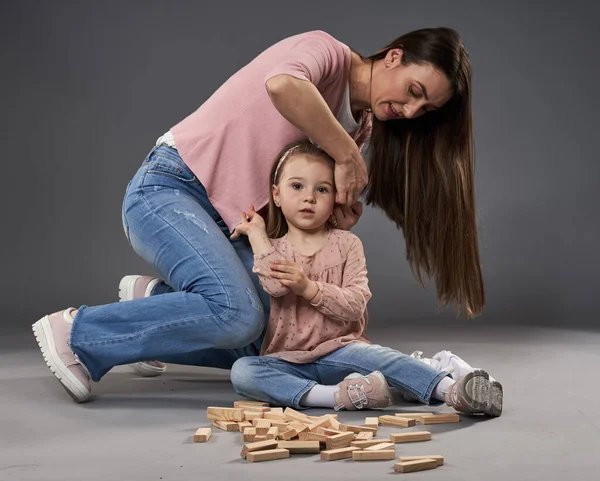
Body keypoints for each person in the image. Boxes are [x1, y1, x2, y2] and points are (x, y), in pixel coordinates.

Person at [32, 27, 485, 404]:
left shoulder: (360, 125)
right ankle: (79, 334)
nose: (408, 111)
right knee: (237, 313)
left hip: (232, 227)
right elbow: (283, 86)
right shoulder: (326, 52)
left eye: (422, 109)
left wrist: (328, 223)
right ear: (393, 56)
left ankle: (154, 301)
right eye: (413, 92)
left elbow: (286, 206)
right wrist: (345, 153)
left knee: (279, 337)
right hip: (169, 188)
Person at [228, 140, 500, 416]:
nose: (309, 197)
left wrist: (308, 287)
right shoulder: (272, 250)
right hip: (287, 360)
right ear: (276, 194)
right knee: (244, 372)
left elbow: (356, 304)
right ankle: (339, 395)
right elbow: (273, 286)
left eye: (321, 189)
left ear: (335, 197)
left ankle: (452, 391)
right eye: (297, 186)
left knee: (384, 359)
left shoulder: (347, 244)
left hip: (343, 352)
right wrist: (258, 234)